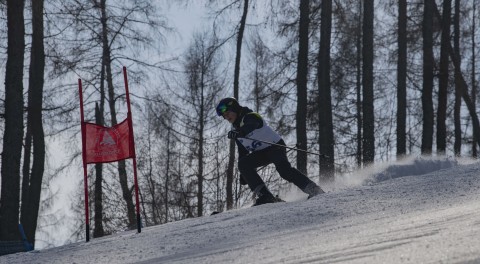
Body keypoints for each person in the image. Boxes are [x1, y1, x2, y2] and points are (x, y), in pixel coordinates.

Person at [215, 97, 325, 206]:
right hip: (260, 153)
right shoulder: (235, 130)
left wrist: (240, 132)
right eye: (224, 116)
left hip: (275, 146)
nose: (226, 117)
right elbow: (243, 152)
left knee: (284, 171)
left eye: (228, 113)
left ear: (235, 108)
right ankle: (266, 196)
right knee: (243, 164)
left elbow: (252, 125)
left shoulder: (250, 116)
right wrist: (243, 173)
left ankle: (314, 190)